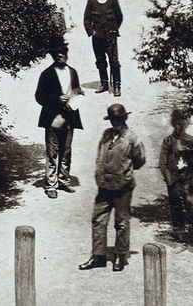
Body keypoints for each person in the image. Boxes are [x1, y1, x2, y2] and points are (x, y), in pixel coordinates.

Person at [79, 102, 146, 273]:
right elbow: (99, 155)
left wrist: (124, 172)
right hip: (104, 185)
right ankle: (98, 256)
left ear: (124, 118)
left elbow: (140, 160)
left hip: (123, 186)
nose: (115, 123)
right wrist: (99, 173)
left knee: (121, 221)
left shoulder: (132, 137)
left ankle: (120, 256)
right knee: (98, 219)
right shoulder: (106, 134)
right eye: (112, 120)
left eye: (118, 119)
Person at [34, 44, 83, 198]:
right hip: (52, 118)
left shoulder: (73, 72)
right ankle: (51, 185)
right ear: (52, 55)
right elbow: (39, 97)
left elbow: (77, 92)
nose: (60, 55)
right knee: (52, 152)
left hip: (69, 117)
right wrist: (56, 99)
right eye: (56, 53)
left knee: (66, 151)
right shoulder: (46, 74)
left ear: (66, 54)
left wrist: (75, 100)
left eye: (62, 52)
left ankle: (64, 180)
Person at [159, 106, 193, 230]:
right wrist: (169, 179)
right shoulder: (168, 141)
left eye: (181, 123)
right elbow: (162, 163)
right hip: (174, 179)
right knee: (176, 208)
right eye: (176, 123)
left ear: (186, 124)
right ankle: (179, 233)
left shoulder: (192, 141)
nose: (179, 126)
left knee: (192, 205)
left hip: (188, 179)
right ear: (173, 124)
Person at [83, 0, 124, 96]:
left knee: (114, 62)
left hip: (111, 37)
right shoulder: (91, 1)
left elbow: (119, 17)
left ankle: (116, 86)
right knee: (100, 61)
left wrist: (114, 30)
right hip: (97, 38)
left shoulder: (113, 0)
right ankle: (104, 84)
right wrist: (92, 32)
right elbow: (86, 19)